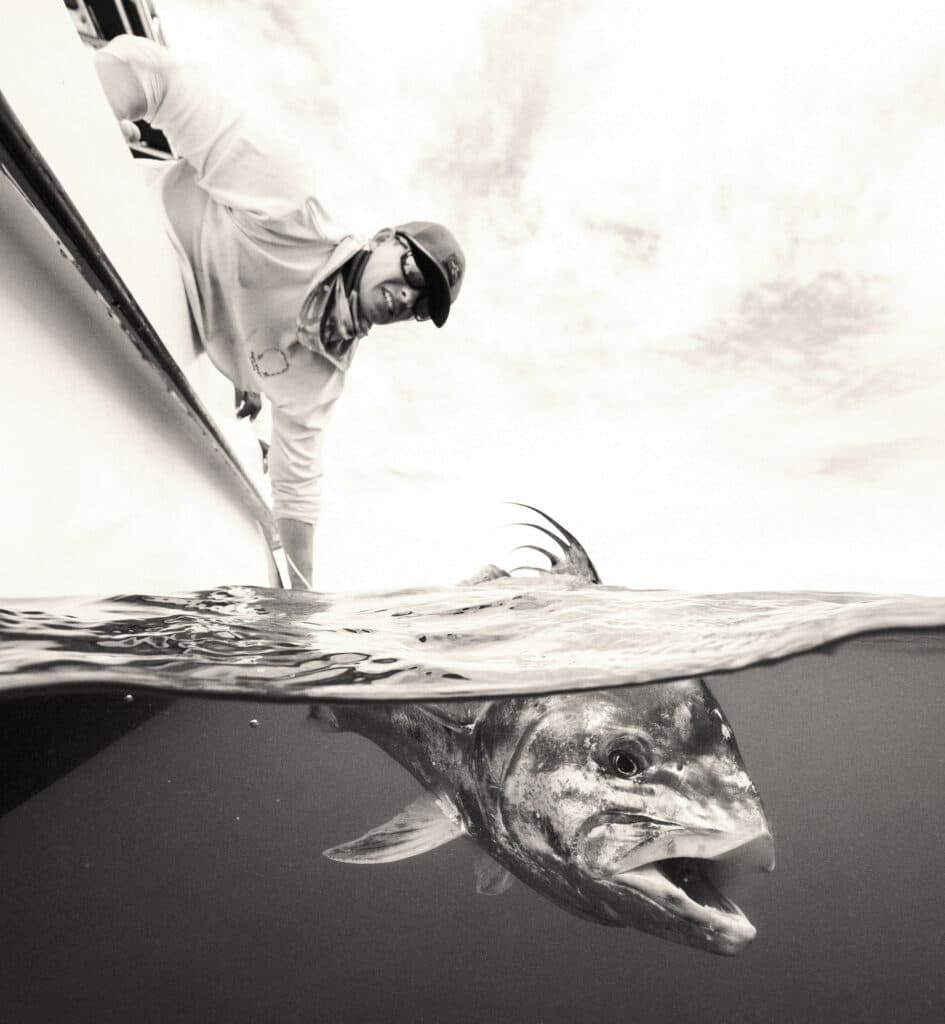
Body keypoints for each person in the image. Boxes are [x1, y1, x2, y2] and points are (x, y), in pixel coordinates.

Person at [93, 35, 465, 589]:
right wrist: (81, 114)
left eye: (420, 305)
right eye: (413, 273)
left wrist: (300, 607)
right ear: (386, 238)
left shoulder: (325, 373)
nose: (407, 297)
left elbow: (297, 483)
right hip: (120, 231)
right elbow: (156, 76)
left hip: (165, 347)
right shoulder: (292, 205)